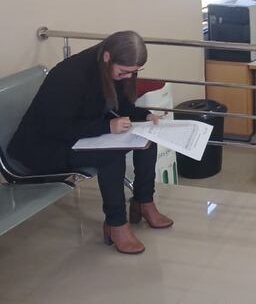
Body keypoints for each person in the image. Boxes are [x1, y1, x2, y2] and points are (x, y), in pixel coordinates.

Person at [9, 31, 173, 254]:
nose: (128, 77)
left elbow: (122, 106)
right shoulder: (69, 76)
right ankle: (115, 224)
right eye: (124, 72)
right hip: (42, 148)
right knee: (110, 155)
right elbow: (56, 127)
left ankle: (144, 202)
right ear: (107, 57)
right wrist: (106, 127)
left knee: (148, 138)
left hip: (76, 135)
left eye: (133, 72)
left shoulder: (112, 69)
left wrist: (145, 116)